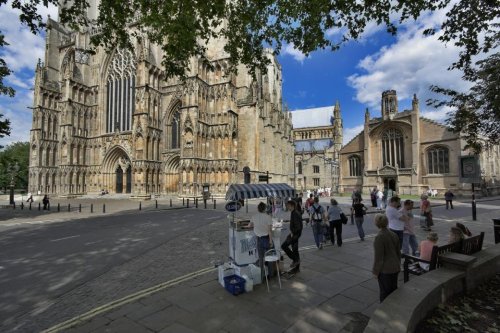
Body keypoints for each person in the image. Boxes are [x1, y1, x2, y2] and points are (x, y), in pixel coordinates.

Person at [372, 214, 401, 303]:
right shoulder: (394, 234)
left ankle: (385, 309)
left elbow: (379, 258)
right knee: (393, 290)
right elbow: (398, 252)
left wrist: (375, 272)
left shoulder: (379, 237)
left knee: (384, 292)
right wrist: (398, 264)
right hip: (395, 267)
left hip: (385, 270)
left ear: (376, 223)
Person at [248, 202, 273, 281]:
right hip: (266, 239)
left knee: (261, 258)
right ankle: (270, 275)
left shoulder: (254, 216)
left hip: (259, 239)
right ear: (265, 208)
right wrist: (271, 240)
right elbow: (270, 231)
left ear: (258, 209)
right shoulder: (268, 217)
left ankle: (261, 276)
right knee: (269, 257)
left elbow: (250, 225)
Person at [281, 200, 303, 269]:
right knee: (295, 250)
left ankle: (296, 260)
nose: (287, 207)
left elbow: (298, 227)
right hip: (295, 234)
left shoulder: (295, 213)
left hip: (295, 235)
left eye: (288, 205)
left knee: (284, 246)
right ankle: (296, 267)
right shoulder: (294, 212)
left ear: (292, 206)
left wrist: (292, 233)